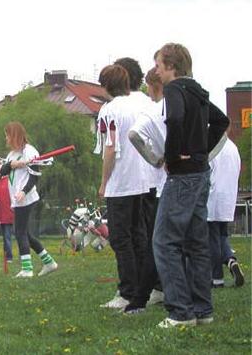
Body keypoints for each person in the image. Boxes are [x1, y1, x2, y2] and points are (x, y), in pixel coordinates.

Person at [153, 43, 229, 328]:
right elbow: (221, 121)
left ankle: (180, 312)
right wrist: (202, 151)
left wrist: (172, 156)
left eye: (159, 65)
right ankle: (203, 310)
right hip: (200, 173)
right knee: (196, 243)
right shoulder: (198, 91)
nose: (157, 71)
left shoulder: (174, 90)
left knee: (164, 242)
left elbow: (174, 118)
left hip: (182, 175)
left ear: (171, 66)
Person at [94, 64, 151, 309]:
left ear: (106, 85)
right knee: (139, 235)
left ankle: (127, 291)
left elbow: (110, 148)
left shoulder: (109, 110)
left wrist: (104, 181)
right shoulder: (138, 106)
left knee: (120, 238)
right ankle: (142, 288)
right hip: (141, 180)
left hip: (121, 182)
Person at [124, 67, 167, 314]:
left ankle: (139, 298)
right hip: (190, 180)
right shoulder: (180, 106)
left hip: (160, 184)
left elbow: (134, 135)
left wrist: (156, 159)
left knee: (156, 241)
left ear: (154, 86)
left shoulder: (153, 110)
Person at [0, 121, 57, 278]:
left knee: (20, 232)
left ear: (14, 136)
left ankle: (27, 269)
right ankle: (49, 262)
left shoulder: (30, 152)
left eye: (7, 135)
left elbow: (34, 176)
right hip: (17, 199)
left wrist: (24, 192)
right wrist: (12, 164)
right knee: (25, 234)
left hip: (25, 198)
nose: (6, 139)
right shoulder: (12, 154)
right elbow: (3, 171)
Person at [207, 136, 244, 288]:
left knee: (212, 239)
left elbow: (207, 171)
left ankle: (217, 278)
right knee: (222, 235)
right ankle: (230, 260)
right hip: (228, 197)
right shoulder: (233, 147)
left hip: (213, 196)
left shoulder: (212, 145)